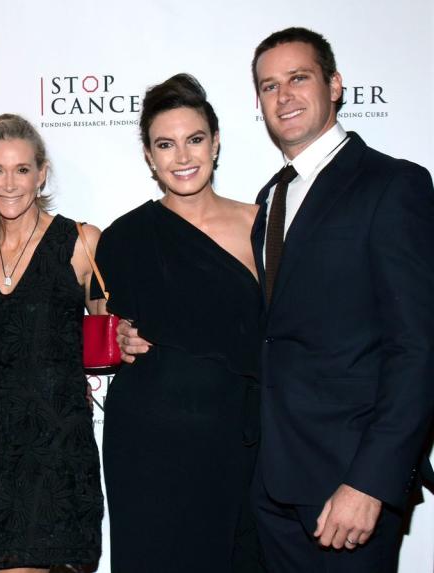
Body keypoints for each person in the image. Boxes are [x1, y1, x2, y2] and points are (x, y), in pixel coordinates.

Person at [247, 27, 434, 571]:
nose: (283, 96)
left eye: (298, 78)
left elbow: (418, 348)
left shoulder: (392, 186)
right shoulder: (271, 197)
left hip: (348, 486)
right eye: (268, 86)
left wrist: (371, 481)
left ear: (335, 85)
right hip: (274, 483)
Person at [93, 74, 265, 572]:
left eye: (194, 140)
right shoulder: (123, 238)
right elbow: (112, 327)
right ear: (149, 156)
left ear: (215, 142)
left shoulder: (261, 226)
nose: (182, 157)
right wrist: (120, 338)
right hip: (148, 444)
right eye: (165, 144)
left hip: (238, 439)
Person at [0, 113, 104, 573]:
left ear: (42, 173)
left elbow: (109, 330)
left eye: (22, 169)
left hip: (55, 456)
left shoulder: (80, 244)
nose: (10, 183)